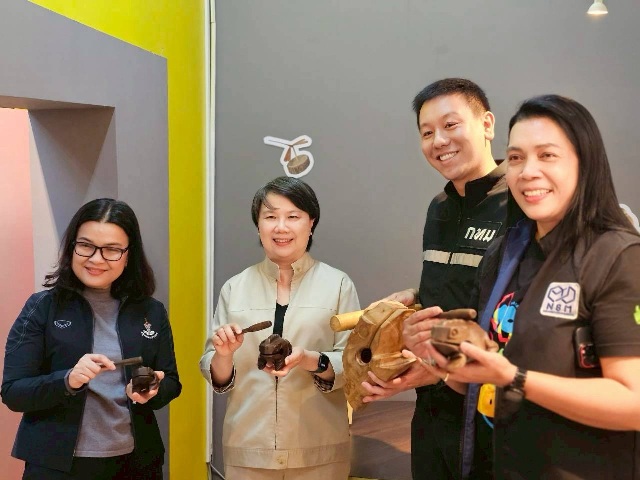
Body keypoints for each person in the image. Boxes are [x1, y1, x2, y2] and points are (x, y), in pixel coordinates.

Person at [411, 94, 640, 479]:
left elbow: (634, 403)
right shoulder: (504, 253)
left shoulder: (618, 256)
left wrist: (513, 379)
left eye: (547, 155)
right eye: (516, 157)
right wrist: (432, 370)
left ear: (585, 163)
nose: (527, 171)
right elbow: (486, 365)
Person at [361, 78, 508, 479]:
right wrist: (412, 301)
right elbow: (453, 290)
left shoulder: (519, 203)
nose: (439, 141)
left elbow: (518, 316)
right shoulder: (439, 207)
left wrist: (445, 369)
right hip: (431, 411)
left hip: (494, 412)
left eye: (450, 125)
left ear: (487, 124)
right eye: (427, 133)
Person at [1, 198, 181, 480]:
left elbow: (171, 381)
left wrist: (154, 388)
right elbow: (13, 392)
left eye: (112, 250)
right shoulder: (43, 307)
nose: (96, 259)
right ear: (72, 246)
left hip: (136, 463)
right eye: (86, 245)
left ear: (129, 255)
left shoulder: (151, 311)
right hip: (55, 465)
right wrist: (67, 380)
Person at [199, 176, 360, 480]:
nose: (281, 227)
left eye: (293, 217)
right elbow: (216, 376)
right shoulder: (234, 288)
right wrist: (223, 354)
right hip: (249, 451)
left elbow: (354, 364)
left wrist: (310, 359)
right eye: (270, 217)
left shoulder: (338, 285)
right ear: (258, 225)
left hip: (320, 451)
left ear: (311, 223)